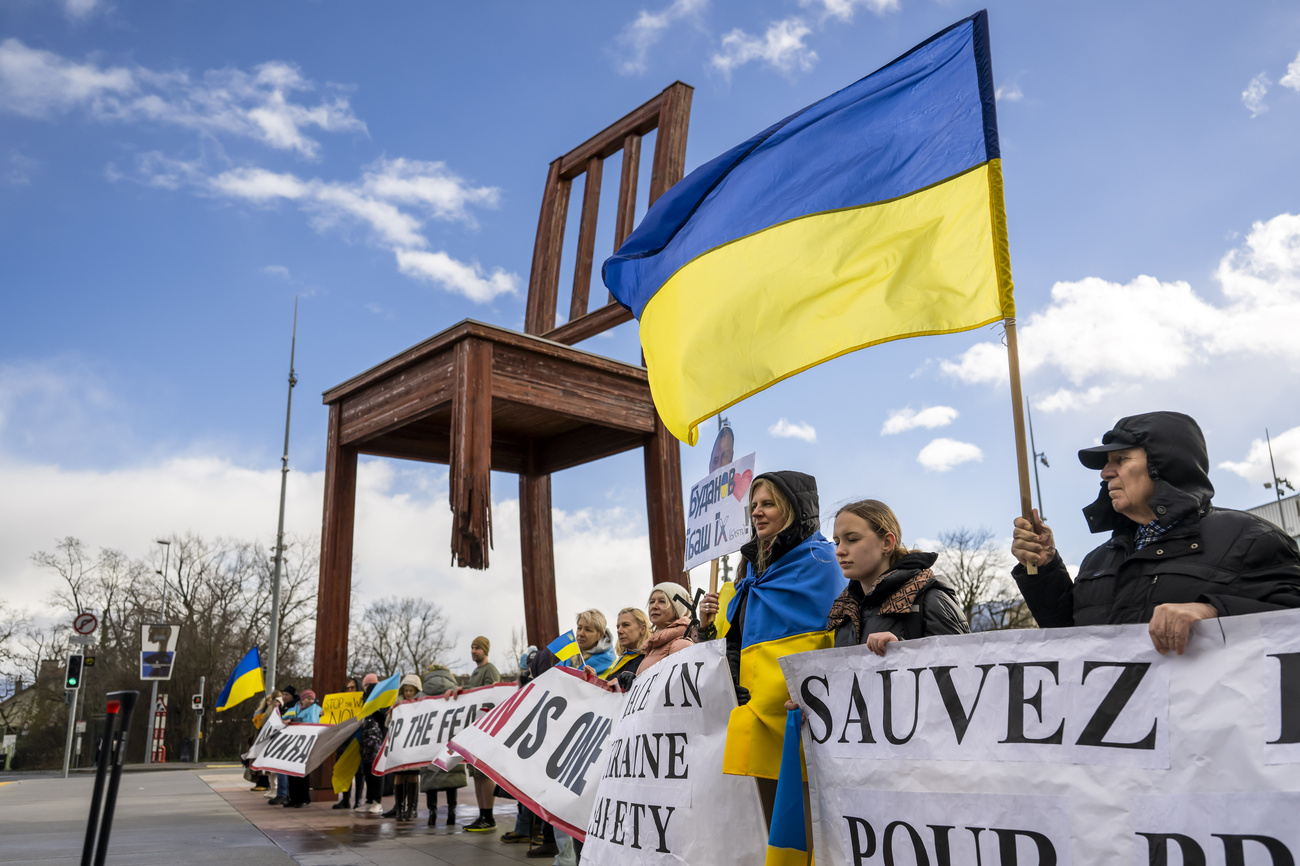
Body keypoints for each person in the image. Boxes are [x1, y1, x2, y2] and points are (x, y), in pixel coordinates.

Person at [1011, 411, 1300, 654]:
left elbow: (1291, 619)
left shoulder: (1250, 539)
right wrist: (1045, 569)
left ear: (1163, 466)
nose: (1105, 472)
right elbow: (1068, 643)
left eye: (1121, 459)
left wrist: (1214, 612)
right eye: (1107, 462)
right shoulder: (1097, 560)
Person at [698, 471, 844, 820]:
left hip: (807, 718)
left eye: (768, 504)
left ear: (794, 508)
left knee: (813, 826)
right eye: (753, 505)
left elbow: (841, 641)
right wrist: (732, 683)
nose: (756, 512)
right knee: (770, 827)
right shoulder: (752, 574)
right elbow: (735, 642)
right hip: (757, 716)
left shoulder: (825, 562)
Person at [826, 499, 969, 653]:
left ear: (887, 542)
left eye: (852, 539)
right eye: (837, 542)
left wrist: (901, 651)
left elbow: (963, 661)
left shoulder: (930, 599)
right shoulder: (843, 611)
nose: (839, 551)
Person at [447, 636, 502, 832]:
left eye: (477, 647)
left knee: (485, 774)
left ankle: (488, 816)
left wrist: (467, 691)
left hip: (485, 731)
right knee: (476, 774)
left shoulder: (490, 670)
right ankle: (482, 814)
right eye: (472, 647)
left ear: (485, 650)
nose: (473, 651)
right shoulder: (476, 672)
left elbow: (490, 695)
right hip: (474, 731)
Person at [420, 664, 467, 827]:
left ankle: (432, 812)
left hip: (429, 742)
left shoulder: (422, 695)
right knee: (450, 777)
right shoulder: (456, 692)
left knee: (430, 777)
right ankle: (452, 810)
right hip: (450, 741)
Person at [384, 675, 423, 820]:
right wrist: (392, 714)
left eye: (411, 690)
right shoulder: (397, 704)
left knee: (412, 774)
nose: (408, 693)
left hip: (413, 745)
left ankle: (411, 808)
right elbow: (387, 724)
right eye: (406, 690)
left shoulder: (422, 704)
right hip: (399, 745)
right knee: (399, 775)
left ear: (417, 691)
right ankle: (399, 809)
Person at [638, 584, 695, 676]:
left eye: (662, 601)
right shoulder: (654, 644)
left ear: (678, 608)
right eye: (652, 602)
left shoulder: (681, 644)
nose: (654, 606)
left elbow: (679, 682)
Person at [283, 689, 321, 808]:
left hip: (306, 744)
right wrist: (286, 721)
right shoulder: (294, 708)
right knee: (291, 772)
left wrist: (295, 721)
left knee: (303, 772)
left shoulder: (316, 709)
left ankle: (304, 799)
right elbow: (284, 718)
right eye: (308, 698)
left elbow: (313, 723)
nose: (311, 701)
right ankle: (293, 798)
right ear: (302, 699)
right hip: (293, 744)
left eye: (312, 699)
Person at [355, 674, 386, 815]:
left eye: (370, 685)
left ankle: (377, 802)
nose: (367, 688)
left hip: (377, 740)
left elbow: (383, 718)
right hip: (365, 740)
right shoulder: (362, 700)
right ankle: (369, 800)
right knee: (367, 770)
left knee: (376, 771)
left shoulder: (382, 698)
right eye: (366, 685)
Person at [267, 685, 298, 806]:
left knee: (285, 769)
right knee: (280, 768)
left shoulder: (295, 707)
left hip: (290, 741)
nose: (284, 697)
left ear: (292, 696)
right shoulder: (281, 707)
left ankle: (285, 794)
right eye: (283, 694)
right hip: (280, 740)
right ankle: (282, 794)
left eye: (287, 695)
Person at [605, 607, 650, 690]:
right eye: (618, 627)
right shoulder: (622, 660)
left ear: (642, 629)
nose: (619, 631)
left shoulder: (649, 660)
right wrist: (592, 679)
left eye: (626, 625)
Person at [567, 609, 616, 677]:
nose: (580, 633)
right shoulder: (567, 655)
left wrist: (593, 680)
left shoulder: (612, 665)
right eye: (579, 628)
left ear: (601, 635)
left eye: (588, 630)